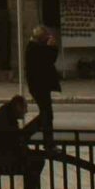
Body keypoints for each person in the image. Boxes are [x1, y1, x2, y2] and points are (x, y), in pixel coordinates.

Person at [0, 94, 44, 189]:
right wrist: (34, 126)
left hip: (2, 156)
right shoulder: (6, 119)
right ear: (17, 106)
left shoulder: (5, 116)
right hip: (1, 160)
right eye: (25, 107)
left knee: (36, 159)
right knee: (35, 162)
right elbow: (16, 140)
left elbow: (16, 140)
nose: (26, 111)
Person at [25, 24, 62, 157]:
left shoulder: (35, 47)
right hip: (38, 86)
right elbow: (49, 60)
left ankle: (25, 135)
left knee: (46, 114)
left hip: (40, 86)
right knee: (47, 114)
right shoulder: (35, 49)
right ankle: (47, 143)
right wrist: (53, 47)